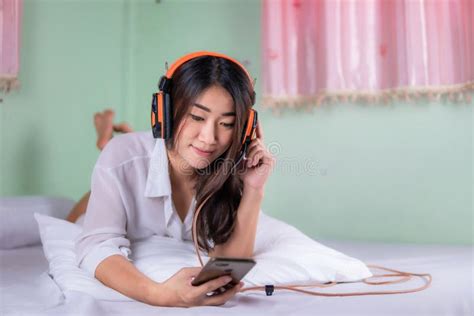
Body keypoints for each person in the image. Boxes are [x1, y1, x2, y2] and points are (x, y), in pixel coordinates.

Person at [73, 53, 275, 308]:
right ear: (164, 112)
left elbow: (230, 260)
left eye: (227, 123)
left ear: (245, 130)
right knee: (82, 205)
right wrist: (160, 294)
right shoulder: (122, 159)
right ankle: (105, 137)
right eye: (197, 117)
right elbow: (96, 246)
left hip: (142, 161)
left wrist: (254, 187)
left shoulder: (232, 166)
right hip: (125, 164)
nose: (209, 138)